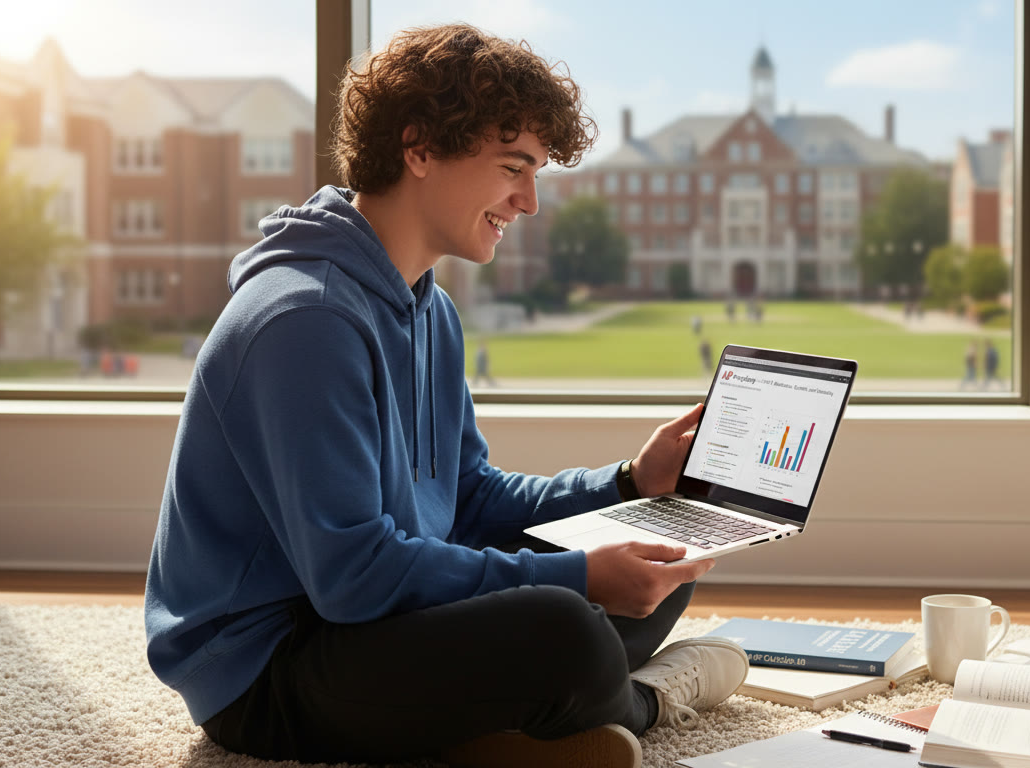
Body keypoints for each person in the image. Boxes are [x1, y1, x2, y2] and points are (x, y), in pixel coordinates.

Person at [143, 24, 747, 768]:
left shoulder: (428, 308)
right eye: (512, 167)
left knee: (659, 552)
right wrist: (577, 577)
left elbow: (468, 499)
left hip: (373, 617)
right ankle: (647, 701)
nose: (528, 201)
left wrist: (627, 484)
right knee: (567, 626)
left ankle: (537, 717)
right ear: (419, 147)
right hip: (269, 669)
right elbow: (354, 578)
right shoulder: (304, 320)